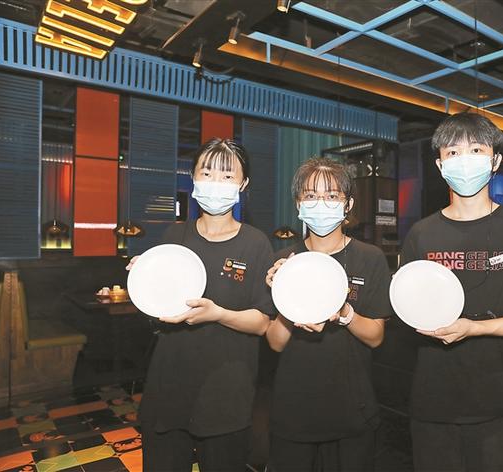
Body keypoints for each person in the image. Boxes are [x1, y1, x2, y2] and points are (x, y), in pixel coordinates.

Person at [400, 112, 503, 472]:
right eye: (453, 152)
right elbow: (407, 306)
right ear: (440, 165)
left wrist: (475, 328)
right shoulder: (421, 234)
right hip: (433, 403)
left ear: (495, 161)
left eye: (476, 150)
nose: (464, 160)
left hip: (501, 403)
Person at [130, 138, 275, 472]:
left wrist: (218, 314)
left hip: (226, 388)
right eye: (207, 173)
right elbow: (159, 310)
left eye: (227, 176)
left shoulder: (255, 243)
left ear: (243, 184)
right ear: (193, 177)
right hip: (169, 384)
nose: (215, 183)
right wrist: (145, 279)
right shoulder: (174, 237)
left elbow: (262, 323)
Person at [264, 157, 390, 471]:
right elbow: (275, 343)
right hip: (293, 410)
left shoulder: (370, 258)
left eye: (332, 196)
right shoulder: (285, 261)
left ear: (348, 205)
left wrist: (344, 312)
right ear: (298, 204)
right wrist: (286, 297)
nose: (321, 203)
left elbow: (375, 337)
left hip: (352, 410)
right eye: (311, 195)